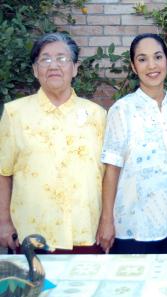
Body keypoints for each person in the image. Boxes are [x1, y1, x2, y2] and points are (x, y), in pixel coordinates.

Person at [0, 32, 106, 253]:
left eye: (62, 58)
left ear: (75, 68)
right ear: (35, 70)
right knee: (36, 289)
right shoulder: (14, 114)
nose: (54, 65)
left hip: (86, 233)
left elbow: (108, 176)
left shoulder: (97, 115)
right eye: (45, 59)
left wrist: (108, 221)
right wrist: (3, 222)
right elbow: (3, 171)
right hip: (31, 235)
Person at [96, 33, 167, 254]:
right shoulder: (122, 110)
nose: (152, 65)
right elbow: (111, 170)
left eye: (158, 57)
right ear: (133, 66)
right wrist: (106, 220)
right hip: (135, 226)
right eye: (142, 59)